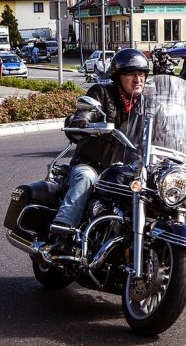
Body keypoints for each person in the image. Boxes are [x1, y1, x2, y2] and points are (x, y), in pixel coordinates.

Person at [50, 48, 150, 254]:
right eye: (131, 74)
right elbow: (85, 111)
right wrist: (82, 120)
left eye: (141, 74)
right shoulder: (101, 93)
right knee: (84, 178)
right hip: (94, 164)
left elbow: (164, 128)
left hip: (129, 169)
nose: (138, 79)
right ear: (118, 77)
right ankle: (63, 234)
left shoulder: (148, 103)